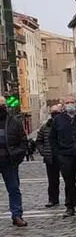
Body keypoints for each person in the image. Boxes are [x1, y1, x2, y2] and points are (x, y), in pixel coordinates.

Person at [0, 96, 28, 227]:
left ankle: (17, 215)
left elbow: (23, 140)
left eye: (2, 104)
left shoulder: (14, 121)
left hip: (9, 160)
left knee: (14, 188)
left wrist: (18, 155)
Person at [38, 103, 62, 208]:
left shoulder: (65, 124)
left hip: (64, 156)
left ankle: (72, 200)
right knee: (52, 181)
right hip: (50, 158)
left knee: (69, 180)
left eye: (56, 111)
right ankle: (53, 199)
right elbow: (39, 141)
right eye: (53, 111)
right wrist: (44, 152)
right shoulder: (45, 127)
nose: (54, 114)